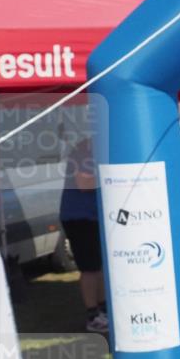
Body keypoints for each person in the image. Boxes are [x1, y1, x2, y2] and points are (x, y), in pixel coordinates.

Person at [59, 137, 108, 333]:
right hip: (79, 217)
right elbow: (83, 183)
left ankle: (104, 309)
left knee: (99, 266)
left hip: (93, 216)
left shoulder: (97, 149)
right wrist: (110, 177)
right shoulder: (82, 151)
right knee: (89, 267)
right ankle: (93, 316)